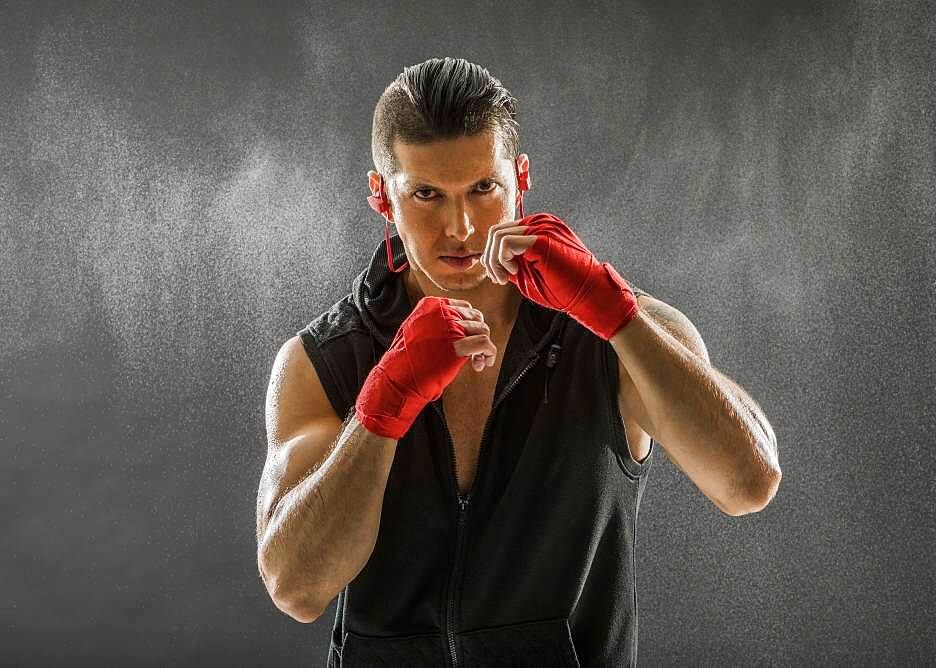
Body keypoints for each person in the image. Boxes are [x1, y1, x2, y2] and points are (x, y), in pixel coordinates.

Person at [255, 57, 781, 667]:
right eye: (427, 195)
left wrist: (616, 314)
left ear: (520, 177)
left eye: (484, 188)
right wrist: (382, 404)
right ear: (382, 197)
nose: (462, 227)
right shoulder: (323, 361)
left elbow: (748, 483)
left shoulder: (615, 336)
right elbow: (296, 588)